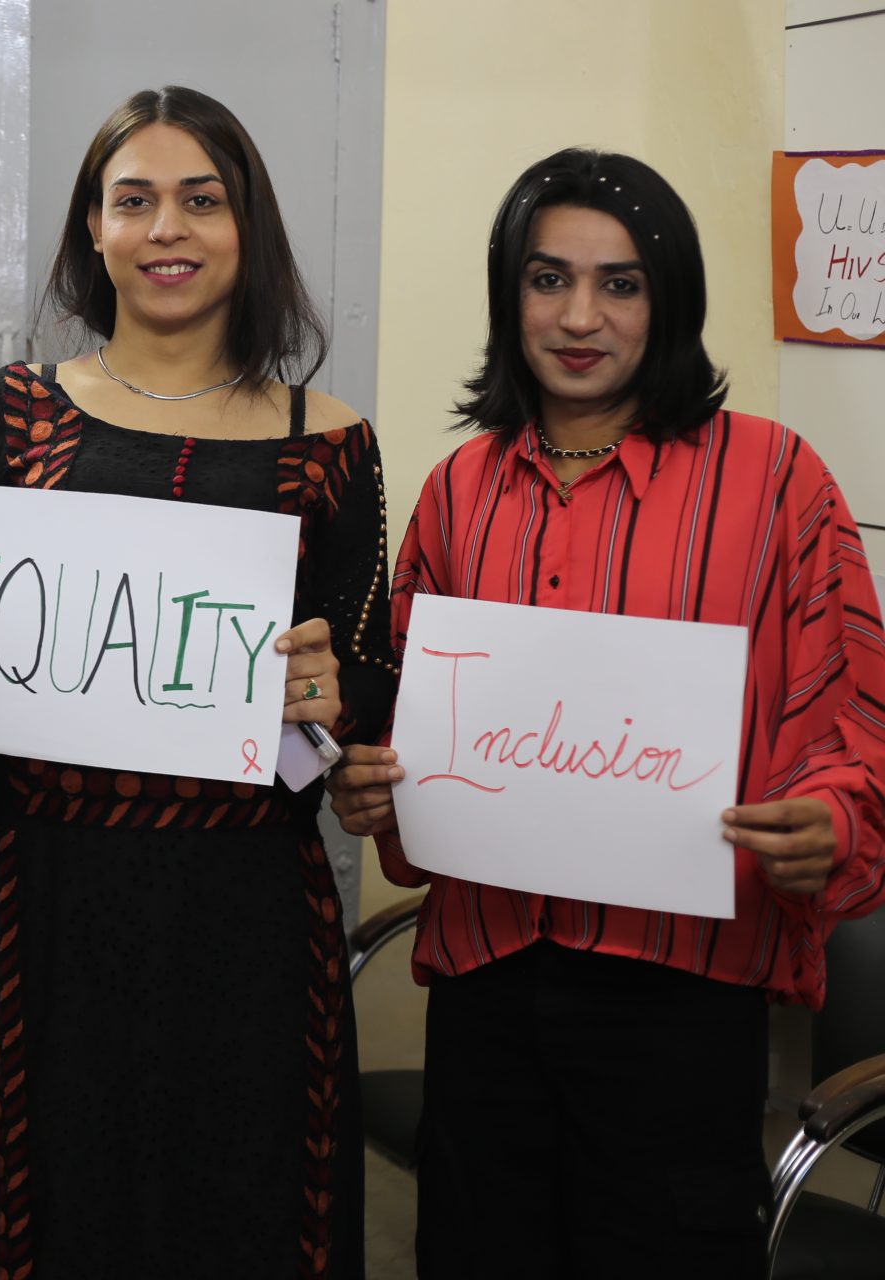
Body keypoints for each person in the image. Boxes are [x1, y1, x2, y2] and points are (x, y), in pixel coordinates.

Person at [0, 86, 396, 1279]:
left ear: (248, 226)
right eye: (134, 200)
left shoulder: (331, 441)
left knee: (233, 1200)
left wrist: (335, 693)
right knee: (33, 1205)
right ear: (93, 232)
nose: (167, 229)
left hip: (240, 913)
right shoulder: (1, 414)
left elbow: (372, 672)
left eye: (201, 200)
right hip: (27, 905)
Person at [328, 148, 885, 1278]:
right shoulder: (460, 491)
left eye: (619, 283)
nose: (580, 317)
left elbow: (852, 722)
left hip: (683, 1002)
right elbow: (406, 730)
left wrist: (831, 819)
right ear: (510, 296)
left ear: (668, 298)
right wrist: (374, 781)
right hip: (487, 986)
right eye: (549, 279)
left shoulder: (777, 482)